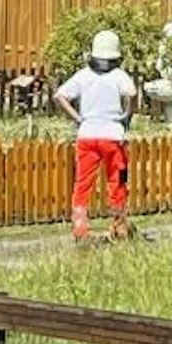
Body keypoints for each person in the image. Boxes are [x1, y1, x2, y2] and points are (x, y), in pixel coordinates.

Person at [54, 29, 137, 243]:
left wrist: (78, 118)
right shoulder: (119, 75)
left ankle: (80, 227)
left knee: (83, 181)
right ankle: (118, 224)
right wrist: (127, 114)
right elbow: (132, 93)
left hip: (87, 135)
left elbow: (60, 95)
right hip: (113, 135)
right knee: (117, 179)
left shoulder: (83, 75)